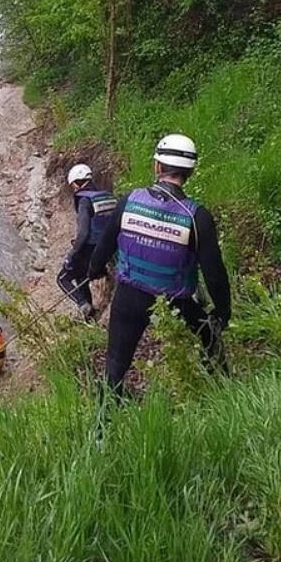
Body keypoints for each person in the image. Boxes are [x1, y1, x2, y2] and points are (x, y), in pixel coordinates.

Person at [88, 133, 231, 397]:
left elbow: (104, 245)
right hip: (175, 300)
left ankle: (104, 419)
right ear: (190, 171)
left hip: (129, 297)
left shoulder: (129, 200)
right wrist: (222, 313)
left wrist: (94, 271)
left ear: (157, 167)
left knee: (116, 364)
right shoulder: (197, 216)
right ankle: (222, 390)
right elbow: (214, 274)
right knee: (209, 336)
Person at [56, 163, 117, 321]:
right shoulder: (108, 196)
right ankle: (89, 316)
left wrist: (71, 254)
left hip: (91, 252)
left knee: (63, 279)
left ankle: (84, 306)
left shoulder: (84, 201)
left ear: (76, 183)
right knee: (81, 276)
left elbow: (83, 233)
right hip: (110, 253)